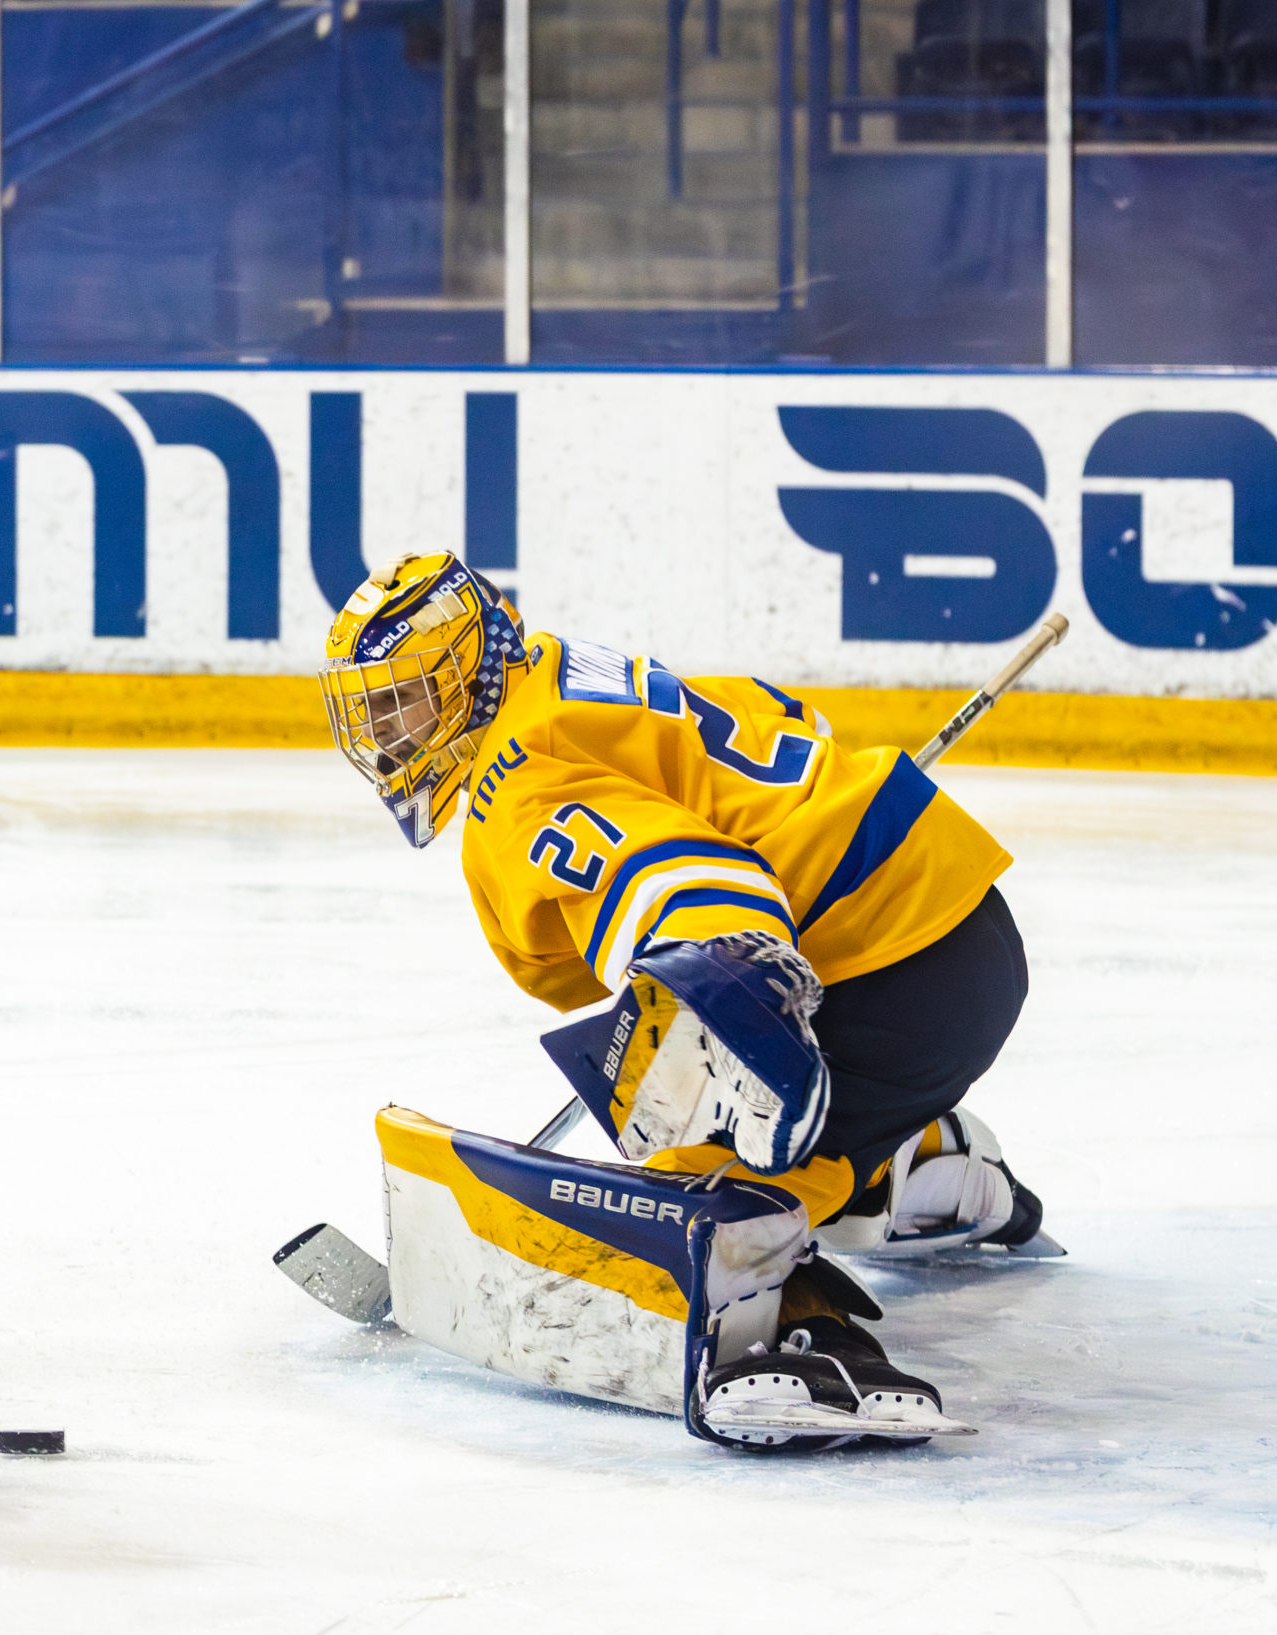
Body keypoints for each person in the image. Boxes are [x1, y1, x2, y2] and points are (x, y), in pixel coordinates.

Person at [320, 550, 1052, 1450]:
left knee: (691, 1166)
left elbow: (680, 873)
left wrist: (740, 995)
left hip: (887, 962)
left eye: (407, 700)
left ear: (466, 670)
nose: (390, 733)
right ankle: (913, 1165)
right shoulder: (567, 674)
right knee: (767, 1090)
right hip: (943, 925)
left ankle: (792, 1337)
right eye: (376, 710)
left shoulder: (517, 783)